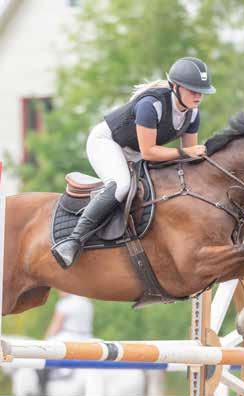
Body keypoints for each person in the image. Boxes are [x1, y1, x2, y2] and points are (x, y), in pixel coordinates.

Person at [51, 57, 216, 269]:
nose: (198, 96)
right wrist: (186, 152)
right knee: (122, 185)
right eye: (193, 90)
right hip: (107, 143)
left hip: (136, 151)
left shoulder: (192, 114)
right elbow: (150, 152)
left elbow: (187, 159)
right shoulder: (152, 104)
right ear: (175, 87)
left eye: (201, 91)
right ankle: (73, 240)